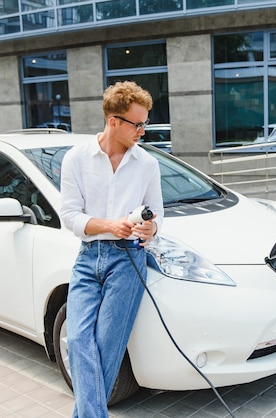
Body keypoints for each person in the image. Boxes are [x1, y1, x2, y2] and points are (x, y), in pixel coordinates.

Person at [60, 81, 164, 418]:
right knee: (77, 340)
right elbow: (69, 216)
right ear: (113, 121)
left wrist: (151, 227)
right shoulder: (76, 159)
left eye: (145, 123)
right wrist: (109, 224)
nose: (143, 131)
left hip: (129, 259)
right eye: (138, 124)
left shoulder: (146, 164)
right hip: (88, 257)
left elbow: (157, 213)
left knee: (107, 346)